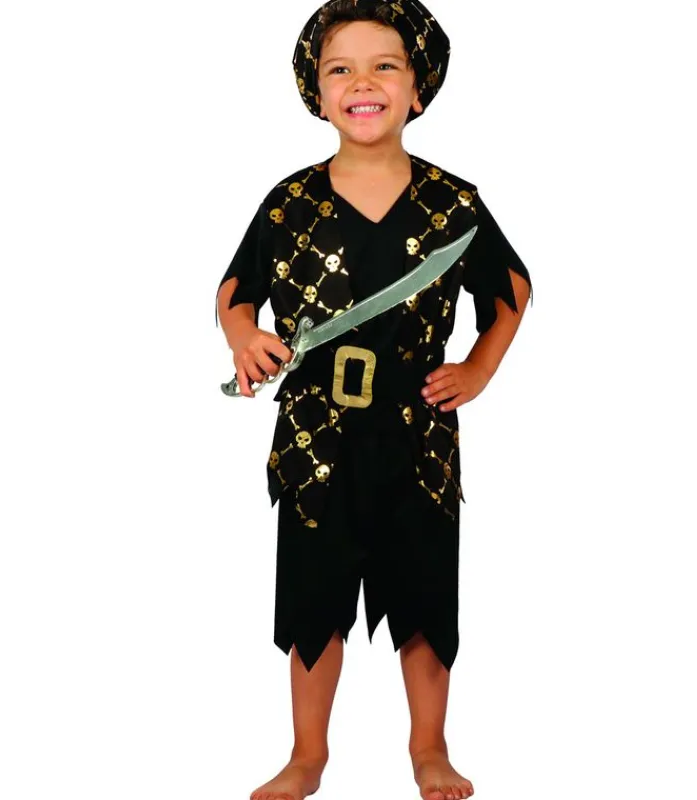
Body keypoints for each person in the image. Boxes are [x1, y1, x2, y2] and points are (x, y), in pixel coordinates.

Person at [215, 3, 533, 799]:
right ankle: (307, 754)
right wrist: (242, 336)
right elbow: (236, 290)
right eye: (341, 69)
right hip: (314, 433)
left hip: (418, 428)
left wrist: (479, 369)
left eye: (384, 65)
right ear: (317, 93)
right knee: (313, 597)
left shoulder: (453, 203)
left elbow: (511, 289)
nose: (363, 82)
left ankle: (429, 746)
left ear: (418, 88)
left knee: (423, 590)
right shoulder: (288, 203)